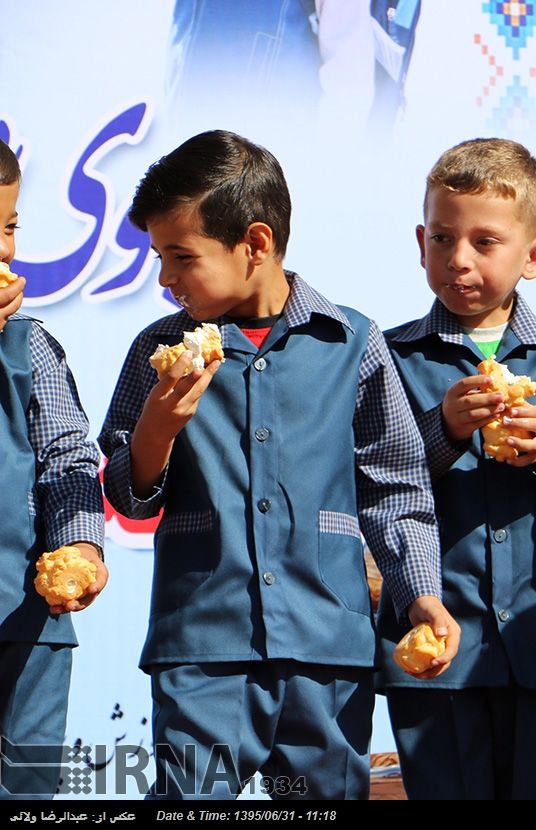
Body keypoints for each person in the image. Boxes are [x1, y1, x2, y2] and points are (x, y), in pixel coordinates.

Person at [99, 130, 451, 799]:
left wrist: (421, 595)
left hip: (328, 651)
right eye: (159, 258)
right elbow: (128, 492)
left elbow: (396, 487)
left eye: (182, 256)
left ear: (254, 244)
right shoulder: (159, 349)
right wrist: (156, 432)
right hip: (202, 648)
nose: (166, 278)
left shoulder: (352, 341)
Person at [379, 137, 536, 799]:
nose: (459, 260)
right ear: (421, 241)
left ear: (534, 256)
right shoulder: (387, 357)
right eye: (443, 239)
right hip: (435, 641)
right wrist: (444, 429)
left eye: (485, 242)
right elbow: (368, 482)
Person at [0, 138, 107, 799]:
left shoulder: (30, 344)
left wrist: (81, 545)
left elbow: (68, 456)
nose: (4, 249)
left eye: (8, 226)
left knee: (29, 792)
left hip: (29, 626)